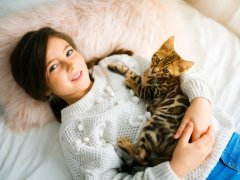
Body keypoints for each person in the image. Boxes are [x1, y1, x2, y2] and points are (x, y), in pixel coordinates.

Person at [10, 27, 237, 179]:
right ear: (44, 89)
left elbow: (183, 71)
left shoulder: (116, 64)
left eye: (69, 52)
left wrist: (200, 102)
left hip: (226, 142)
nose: (69, 65)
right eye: (53, 66)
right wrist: (176, 169)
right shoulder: (74, 134)